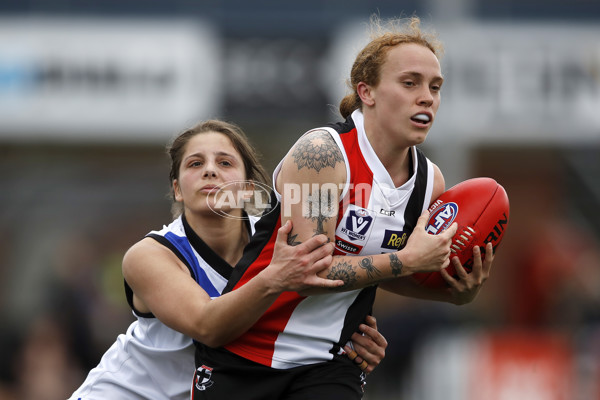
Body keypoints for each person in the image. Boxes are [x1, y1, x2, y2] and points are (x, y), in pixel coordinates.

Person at [192, 16, 494, 399]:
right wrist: (409, 260)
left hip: (330, 363)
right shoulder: (322, 155)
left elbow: (388, 271)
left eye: (435, 87)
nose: (427, 97)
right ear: (366, 92)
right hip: (247, 353)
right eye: (410, 83)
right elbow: (306, 271)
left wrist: (452, 293)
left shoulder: (429, 183)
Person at [69, 120, 388, 400]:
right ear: (177, 189)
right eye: (195, 164)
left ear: (249, 188)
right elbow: (208, 326)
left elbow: (316, 297)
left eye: (225, 163)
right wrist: (275, 278)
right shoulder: (150, 255)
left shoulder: (279, 238)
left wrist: (350, 343)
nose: (210, 170)